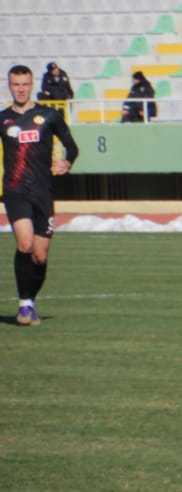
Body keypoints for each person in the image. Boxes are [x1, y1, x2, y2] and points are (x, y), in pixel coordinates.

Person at [2, 65, 79, 327]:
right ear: (9, 86)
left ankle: (30, 301)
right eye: (15, 84)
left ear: (31, 84)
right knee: (24, 245)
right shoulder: (3, 119)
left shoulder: (49, 115)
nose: (20, 89)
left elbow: (71, 146)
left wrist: (67, 162)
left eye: (24, 84)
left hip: (43, 192)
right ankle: (25, 306)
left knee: (40, 255)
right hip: (15, 191)